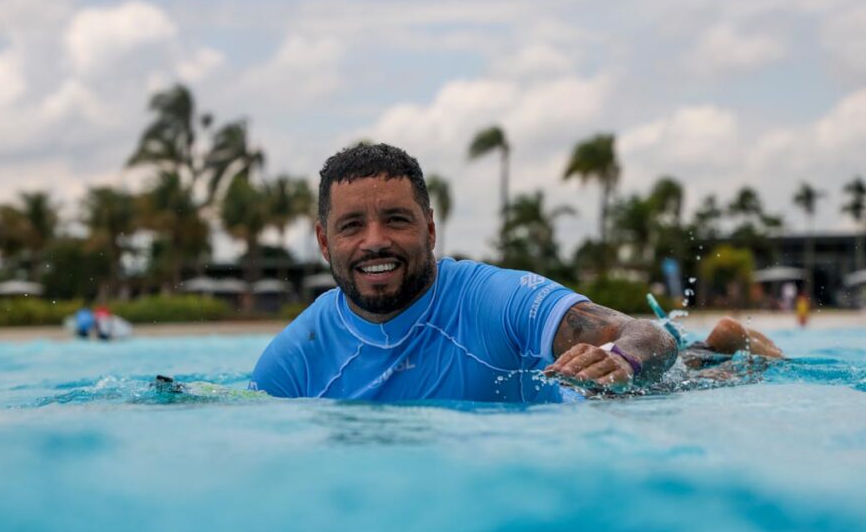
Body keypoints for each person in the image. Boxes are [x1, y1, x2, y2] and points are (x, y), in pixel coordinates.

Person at [249, 143, 679, 404]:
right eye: (352, 225)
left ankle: (717, 354)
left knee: (689, 376)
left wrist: (621, 360)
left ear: (430, 228)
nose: (375, 241)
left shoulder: (493, 300)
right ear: (324, 242)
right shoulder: (296, 358)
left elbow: (649, 336)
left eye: (396, 219)